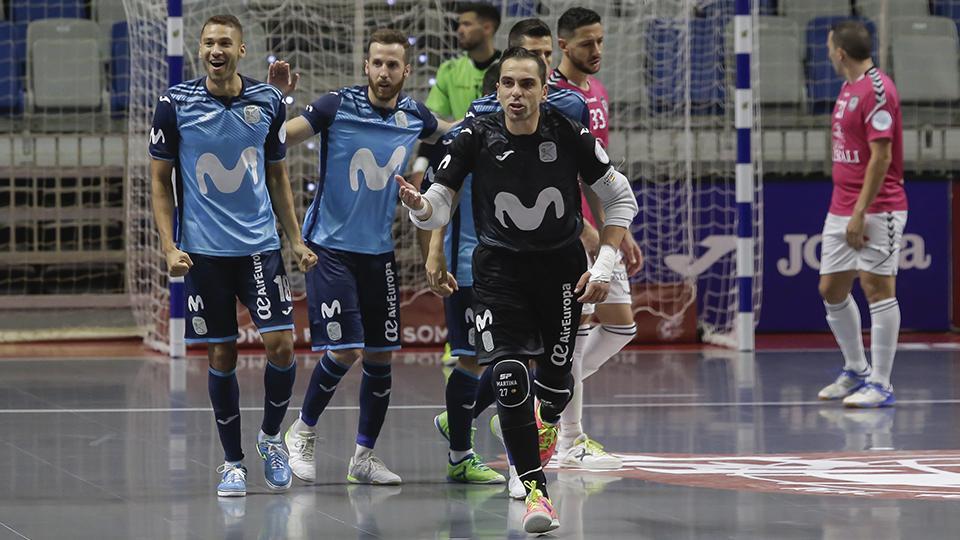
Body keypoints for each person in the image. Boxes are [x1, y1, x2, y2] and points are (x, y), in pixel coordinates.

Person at [397, 47, 638, 534]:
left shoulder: (567, 132)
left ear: (544, 89)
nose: (515, 93)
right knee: (508, 374)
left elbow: (620, 198)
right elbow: (439, 209)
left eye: (526, 84)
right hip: (498, 272)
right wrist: (420, 207)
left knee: (553, 391)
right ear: (497, 89)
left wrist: (606, 263)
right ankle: (535, 490)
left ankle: (542, 424)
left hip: (562, 272)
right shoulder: (473, 136)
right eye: (507, 84)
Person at [266, 28, 453, 485]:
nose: (384, 72)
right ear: (365, 66)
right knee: (346, 348)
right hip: (329, 247)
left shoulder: (414, 115)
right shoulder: (335, 104)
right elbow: (280, 138)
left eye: (393, 64)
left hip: (378, 252)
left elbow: (455, 132)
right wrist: (275, 98)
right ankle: (302, 432)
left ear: (407, 70)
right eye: (377, 63)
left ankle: (363, 458)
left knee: (381, 356)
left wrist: (495, 114)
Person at [149, 14, 317, 498]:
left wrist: (296, 239)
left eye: (225, 42)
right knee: (221, 353)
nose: (215, 49)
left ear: (242, 50)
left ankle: (270, 441)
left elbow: (278, 175)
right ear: (199, 50)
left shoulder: (266, 101)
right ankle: (232, 462)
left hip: (259, 249)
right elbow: (161, 181)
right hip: (204, 255)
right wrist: (168, 246)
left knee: (282, 345)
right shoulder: (174, 104)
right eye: (208, 43)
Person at [424, 18, 592, 491]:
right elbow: (447, 187)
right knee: (476, 357)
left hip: (550, 255)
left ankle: (519, 441)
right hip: (480, 252)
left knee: (541, 364)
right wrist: (436, 249)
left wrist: (597, 239)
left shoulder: (568, 112)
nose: (540, 66)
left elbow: (592, 179)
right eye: (527, 56)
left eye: (542, 60)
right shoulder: (480, 117)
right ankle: (469, 449)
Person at [549, 6, 643, 471]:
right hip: (569, 233)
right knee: (579, 335)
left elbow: (597, 175)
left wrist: (616, 231)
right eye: (587, 43)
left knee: (623, 325)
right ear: (563, 45)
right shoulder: (554, 96)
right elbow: (560, 178)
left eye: (601, 40)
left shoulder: (598, 92)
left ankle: (538, 399)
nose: (597, 50)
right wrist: (586, 229)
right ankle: (570, 439)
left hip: (599, 231)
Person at [817, 20, 905, 408]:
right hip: (841, 205)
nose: (827, 53)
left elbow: (882, 156)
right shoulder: (848, 87)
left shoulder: (878, 90)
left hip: (876, 208)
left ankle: (882, 383)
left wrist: (860, 211)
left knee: (876, 288)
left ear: (839, 52)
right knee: (831, 289)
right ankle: (856, 369)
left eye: (828, 47)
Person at [426, 1, 502, 120]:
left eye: (467, 24)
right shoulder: (449, 69)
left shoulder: (509, 68)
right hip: (462, 136)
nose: (460, 31)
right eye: (459, 25)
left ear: (487, 28)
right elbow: (435, 116)